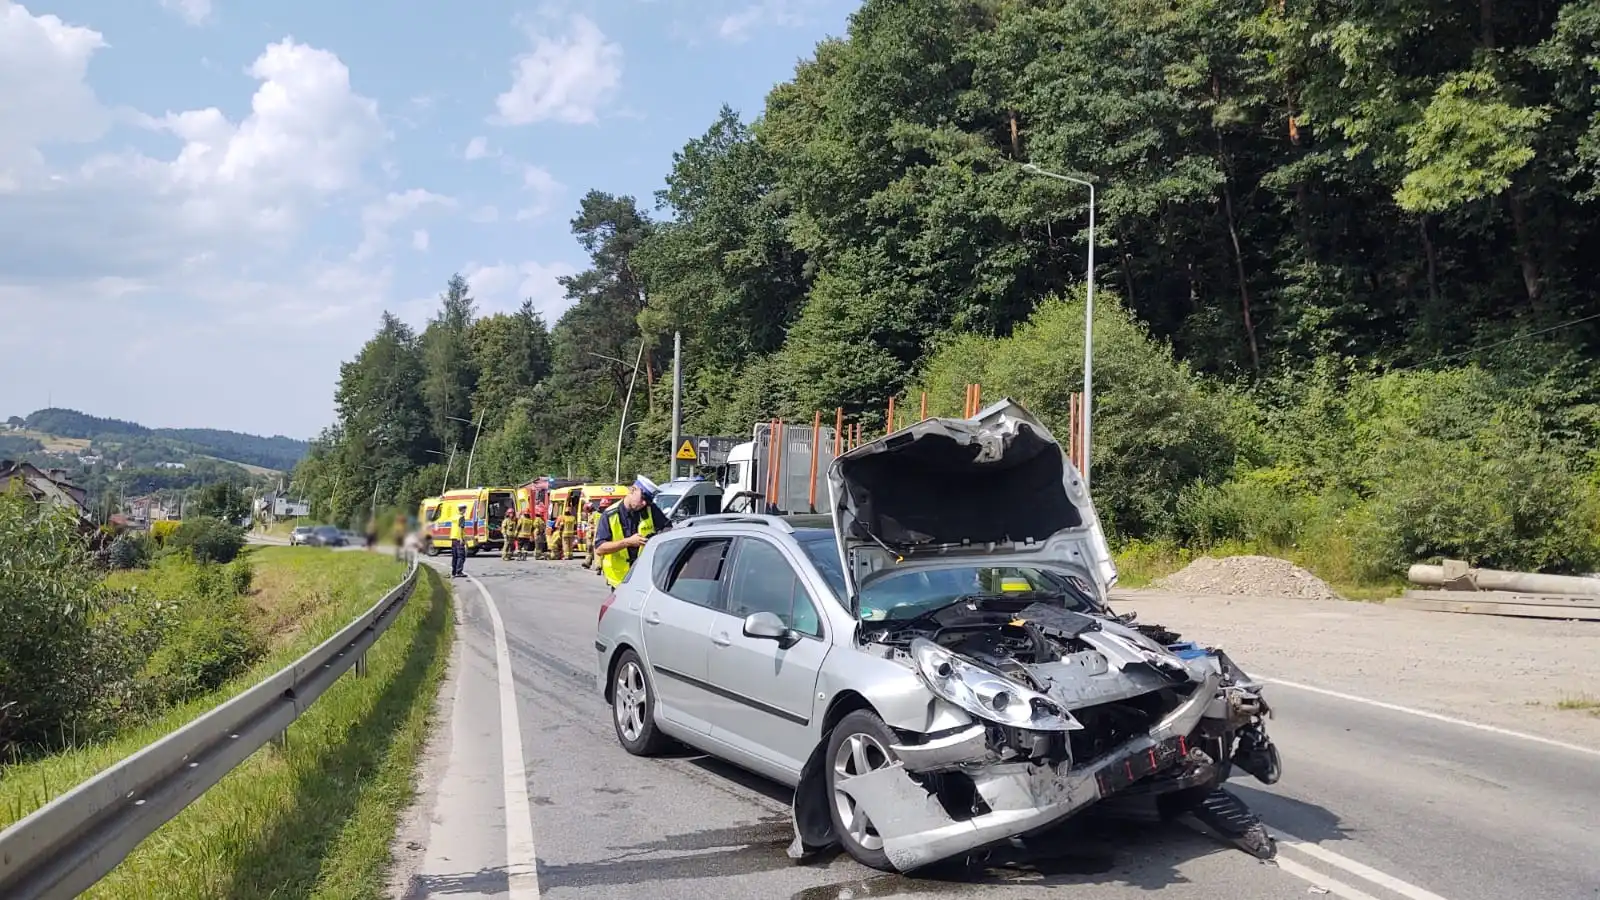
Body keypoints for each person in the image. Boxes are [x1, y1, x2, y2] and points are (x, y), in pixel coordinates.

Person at [594, 475, 671, 588]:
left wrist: (655, 539)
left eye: (648, 501)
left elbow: (667, 529)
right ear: (633, 490)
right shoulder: (610, 515)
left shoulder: (650, 509)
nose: (644, 503)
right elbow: (600, 549)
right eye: (643, 498)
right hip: (619, 581)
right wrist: (628, 542)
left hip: (645, 578)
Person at [449, 503, 468, 578]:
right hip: (458, 538)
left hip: (453, 538)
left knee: (455, 556)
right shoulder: (461, 517)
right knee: (461, 556)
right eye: (465, 509)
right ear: (463, 509)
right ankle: (459, 571)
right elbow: (461, 528)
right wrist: (461, 539)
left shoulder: (454, 517)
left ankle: (454, 572)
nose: (465, 510)